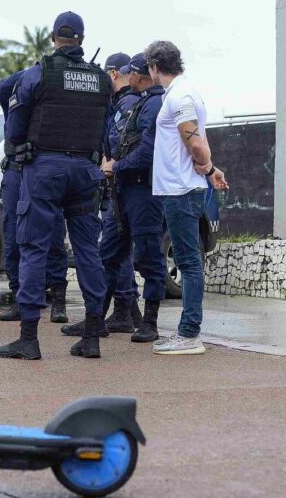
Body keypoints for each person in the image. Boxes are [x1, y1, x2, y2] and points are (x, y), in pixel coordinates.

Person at [0, 12, 111, 360]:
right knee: (88, 250)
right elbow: (105, 131)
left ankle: (28, 338)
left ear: (52, 37)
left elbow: (14, 129)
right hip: (85, 171)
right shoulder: (102, 80)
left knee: (33, 248)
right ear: (81, 38)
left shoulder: (38, 73)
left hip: (44, 169)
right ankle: (92, 335)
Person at [144, 40, 228, 355]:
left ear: (154, 67)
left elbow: (194, 143)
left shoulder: (178, 96)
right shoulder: (187, 91)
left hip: (180, 191)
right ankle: (188, 332)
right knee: (190, 261)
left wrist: (205, 161)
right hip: (186, 186)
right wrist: (210, 170)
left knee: (189, 263)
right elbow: (192, 143)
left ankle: (189, 334)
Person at [60, 52, 141, 338]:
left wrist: (110, 165)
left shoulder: (127, 103)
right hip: (119, 184)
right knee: (116, 249)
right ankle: (129, 313)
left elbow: (119, 143)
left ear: (113, 73)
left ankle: (121, 313)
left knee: (112, 248)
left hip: (120, 184)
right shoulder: (122, 103)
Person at [98, 53, 169, 343]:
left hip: (143, 191)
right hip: (125, 191)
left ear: (144, 75)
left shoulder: (153, 104)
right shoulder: (139, 102)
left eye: (135, 73)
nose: (132, 78)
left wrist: (117, 166)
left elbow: (148, 151)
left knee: (149, 257)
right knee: (108, 255)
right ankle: (95, 319)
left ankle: (149, 323)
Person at [0, 70, 69, 324]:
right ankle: (20, 296)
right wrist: (36, 70)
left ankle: (58, 300)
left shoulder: (55, 104)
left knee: (54, 237)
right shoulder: (17, 101)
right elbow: (4, 86)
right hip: (17, 172)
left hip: (44, 175)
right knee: (14, 237)